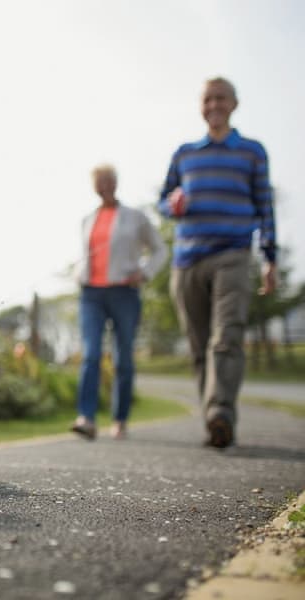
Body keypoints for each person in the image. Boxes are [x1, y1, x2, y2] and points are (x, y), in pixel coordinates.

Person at [159, 77, 276, 449]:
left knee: (226, 336)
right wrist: (171, 203)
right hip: (188, 259)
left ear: (234, 104)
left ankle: (220, 413)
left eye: (221, 98)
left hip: (233, 254)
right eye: (208, 99)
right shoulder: (184, 153)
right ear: (200, 105)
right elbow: (164, 200)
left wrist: (270, 258)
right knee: (198, 345)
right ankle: (213, 415)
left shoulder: (252, 152)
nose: (214, 105)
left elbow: (265, 206)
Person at [72, 165, 167, 440]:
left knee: (123, 357)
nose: (104, 186)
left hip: (124, 292)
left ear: (116, 183)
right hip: (91, 294)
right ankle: (86, 418)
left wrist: (145, 272)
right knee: (91, 354)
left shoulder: (135, 217)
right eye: (99, 182)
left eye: (108, 181)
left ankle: (120, 418)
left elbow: (160, 249)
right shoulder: (87, 219)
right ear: (94, 186)